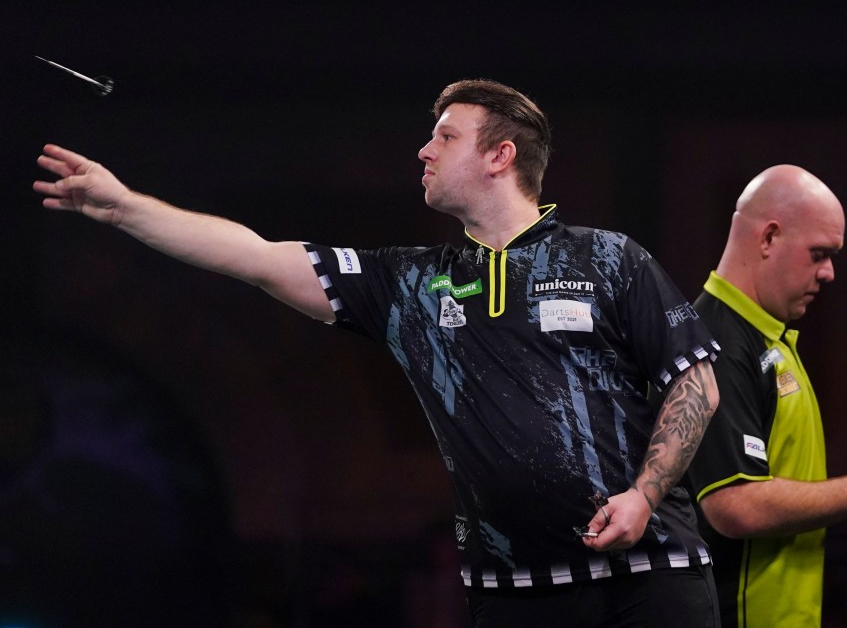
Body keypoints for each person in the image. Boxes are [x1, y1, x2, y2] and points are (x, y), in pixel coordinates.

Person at [34, 79, 722, 628]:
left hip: (651, 577)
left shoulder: (610, 257)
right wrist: (123, 207)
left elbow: (696, 384)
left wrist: (644, 494)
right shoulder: (409, 284)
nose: (424, 151)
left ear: (500, 155)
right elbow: (255, 257)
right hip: (514, 593)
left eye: (444, 137)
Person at [678, 165, 847, 627]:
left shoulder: (767, 339)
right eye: (819, 254)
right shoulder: (716, 344)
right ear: (768, 238)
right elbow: (733, 505)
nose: (829, 273)